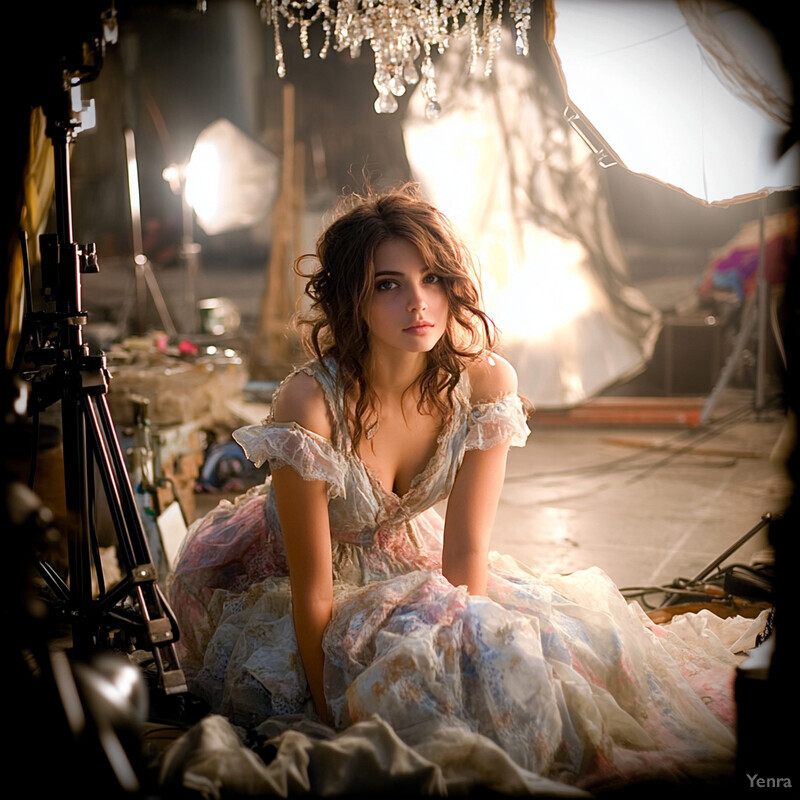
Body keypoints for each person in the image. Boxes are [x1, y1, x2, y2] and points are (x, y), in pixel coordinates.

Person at [167, 184, 765, 793]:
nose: (418, 303)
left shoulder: (483, 384)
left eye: (432, 278)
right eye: (388, 284)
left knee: (547, 658)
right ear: (352, 298)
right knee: (395, 706)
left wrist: (462, 644)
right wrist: (328, 716)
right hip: (291, 579)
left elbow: (466, 552)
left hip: (414, 559)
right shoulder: (311, 405)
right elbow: (313, 591)